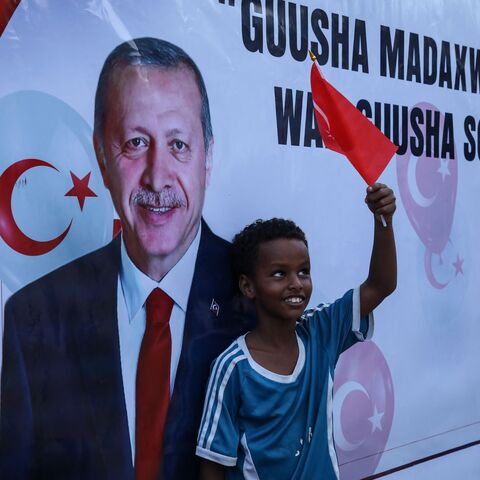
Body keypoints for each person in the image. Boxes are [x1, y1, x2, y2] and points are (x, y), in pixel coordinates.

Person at [0, 38, 253, 480]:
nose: (157, 176)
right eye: (136, 142)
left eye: (178, 144)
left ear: (208, 156)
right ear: (101, 154)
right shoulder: (32, 320)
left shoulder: (262, 305)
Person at [196, 183, 397, 479]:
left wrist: (384, 221)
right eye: (279, 274)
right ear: (248, 286)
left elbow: (380, 285)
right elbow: (212, 467)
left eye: (303, 271)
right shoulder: (233, 368)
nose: (296, 283)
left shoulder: (321, 332)